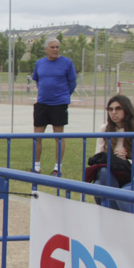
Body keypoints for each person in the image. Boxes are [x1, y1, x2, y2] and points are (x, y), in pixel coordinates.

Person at [86, 94, 134, 208]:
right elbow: (98, 156)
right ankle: (115, 214)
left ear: (126, 110)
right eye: (110, 109)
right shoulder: (105, 129)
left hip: (132, 174)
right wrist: (114, 159)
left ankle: (113, 213)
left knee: (101, 184)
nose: (113, 112)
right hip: (110, 173)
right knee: (101, 176)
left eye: (118, 108)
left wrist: (126, 161)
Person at [30, 37, 77, 175]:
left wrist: (63, 96)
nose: (55, 50)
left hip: (59, 104)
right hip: (42, 103)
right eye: (52, 47)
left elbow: (72, 83)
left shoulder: (67, 63)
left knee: (59, 137)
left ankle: (58, 167)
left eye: (57, 47)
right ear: (46, 49)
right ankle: (36, 166)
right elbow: (37, 80)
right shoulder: (39, 63)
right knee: (37, 137)